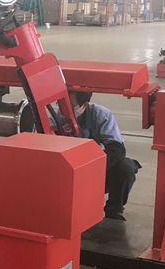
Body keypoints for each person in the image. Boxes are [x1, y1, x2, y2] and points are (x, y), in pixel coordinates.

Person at [56, 91, 140, 221]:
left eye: (71, 108)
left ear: (85, 105)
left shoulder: (101, 115)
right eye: (62, 106)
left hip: (98, 169)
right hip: (69, 171)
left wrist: (92, 168)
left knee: (125, 168)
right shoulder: (56, 117)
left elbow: (117, 149)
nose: (65, 112)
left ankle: (114, 210)